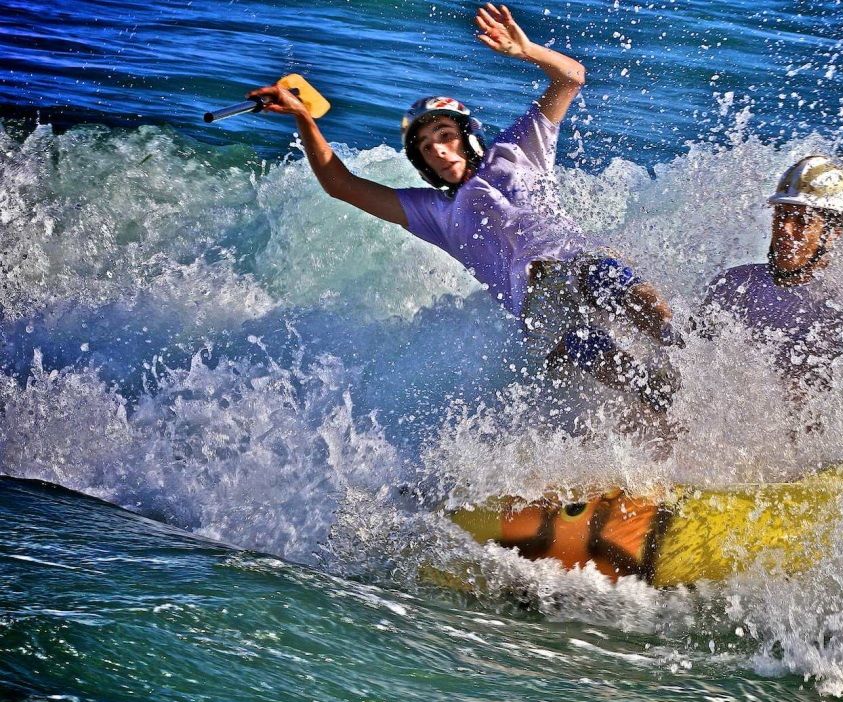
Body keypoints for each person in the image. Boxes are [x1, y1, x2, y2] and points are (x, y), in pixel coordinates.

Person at [247, 4, 679, 413]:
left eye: (444, 134)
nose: (437, 149)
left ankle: (685, 345)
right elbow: (341, 184)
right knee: (580, 342)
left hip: (576, 263)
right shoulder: (431, 211)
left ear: (468, 135)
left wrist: (526, 51)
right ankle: (659, 396)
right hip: (537, 309)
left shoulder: (519, 149)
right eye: (425, 146)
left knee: (605, 273)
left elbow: (571, 78)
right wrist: (305, 118)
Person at [700, 155, 843, 404]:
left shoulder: (840, 310)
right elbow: (688, 356)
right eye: (782, 216)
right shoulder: (733, 284)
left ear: (832, 234)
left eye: (801, 221)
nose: (784, 229)